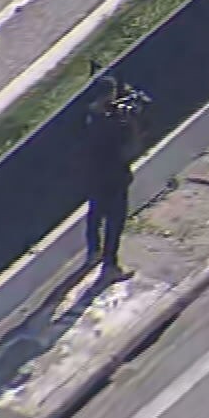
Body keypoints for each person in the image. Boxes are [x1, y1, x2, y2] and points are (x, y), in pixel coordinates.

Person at [83, 76, 139, 280]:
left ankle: (93, 252)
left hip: (94, 176)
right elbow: (129, 149)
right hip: (114, 178)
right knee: (115, 221)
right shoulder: (112, 124)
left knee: (95, 214)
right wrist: (131, 125)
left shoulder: (89, 118)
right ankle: (110, 265)